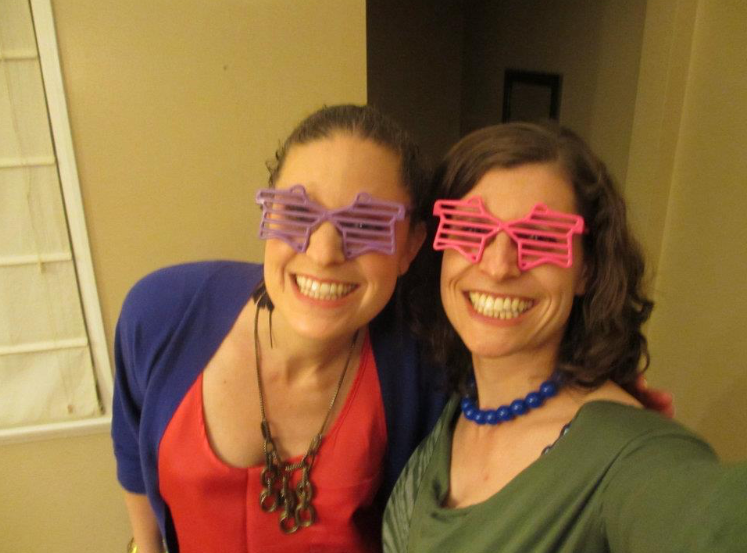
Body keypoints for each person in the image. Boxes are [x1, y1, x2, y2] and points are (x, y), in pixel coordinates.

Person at [382, 122, 747, 552]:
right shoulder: (456, 404)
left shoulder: (631, 456)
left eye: (539, 237)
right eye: (470, 228)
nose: (499, 266)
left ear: (586, 271)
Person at [112, 104, 447, 553]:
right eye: (297, 211)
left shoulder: (424, 369)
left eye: (366, 224)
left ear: (410, 247)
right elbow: (133, 453)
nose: (325, 252)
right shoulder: (159, 314)